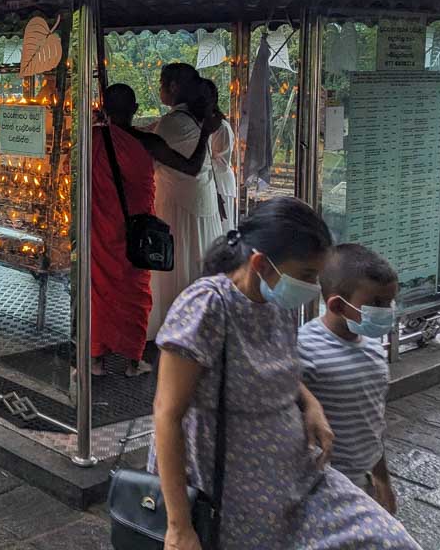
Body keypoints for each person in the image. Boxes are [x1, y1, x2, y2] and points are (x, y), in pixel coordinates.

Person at [150, 198, 419, 550]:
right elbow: (167, 414)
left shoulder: (276, 305)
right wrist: (179, 527)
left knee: (388, 540)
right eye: (307, 275)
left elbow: (281, 370)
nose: (312, 287)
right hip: (232, 491)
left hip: (295, 476)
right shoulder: (207, 307)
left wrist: (310, 405)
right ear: (261, 264)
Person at [91, 84, 216, 377]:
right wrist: (206, 134)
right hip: (135, 231)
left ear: (104, 108)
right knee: (134, 293)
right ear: (134, 109)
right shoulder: (146, 142)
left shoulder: (91, 138)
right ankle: (134, 362)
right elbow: (192, 167)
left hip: (99, 227)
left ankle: (96, 359)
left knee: (99, 291)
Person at [298, 244, 399, 513]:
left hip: (361, 483)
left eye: (389, 302)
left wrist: (382, 478)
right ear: (336, 305)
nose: (387, 310)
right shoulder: (304, 348)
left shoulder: (375, 347)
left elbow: (374, 421)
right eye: (377, 303)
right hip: (320, 488)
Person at [148, 63, 223, 338]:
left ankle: (177, 324)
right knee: (194, 260)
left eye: (161, 84)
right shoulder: (189, 119)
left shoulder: (175, 122)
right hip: (199, 201)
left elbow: (171, 157)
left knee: (177, 261)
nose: (159, 90)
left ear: (174, 87)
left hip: (178, 205)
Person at [199, 79, 237, 232]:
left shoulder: (221, 127)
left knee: (222, 231)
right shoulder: (202, 123)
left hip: (220, 184)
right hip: (210, 182)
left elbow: (220, 162)